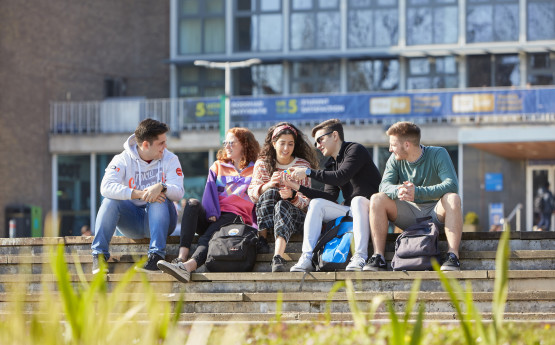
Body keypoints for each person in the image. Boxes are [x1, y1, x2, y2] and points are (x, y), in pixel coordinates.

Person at [157, 127, 260, 283]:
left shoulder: (256, 169)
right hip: (215, 215)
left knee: (209, 235)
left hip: (236, 219)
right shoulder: (218, 166)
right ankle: (181, 258)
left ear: (245, 145)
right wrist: (212, 211)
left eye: (232, 143)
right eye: (226, 142)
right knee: (191, 204)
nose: (227, 146)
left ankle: (188, 267)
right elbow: (209, 190)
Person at [284, 119, 381, 272]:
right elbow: (329, 196)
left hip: (372, 210)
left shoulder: (355, 150)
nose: (317, 145)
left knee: (357, 201)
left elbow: (341, 176)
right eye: (315, 142)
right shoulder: (331, 163)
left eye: (320, 140)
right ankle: (307, 257)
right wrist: (297, 187)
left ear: (335, 135)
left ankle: (360, 256)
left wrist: (308, 172)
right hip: (351, 211)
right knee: (316, 203)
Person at [91, 118, 184, 274]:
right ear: (146, 145)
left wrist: (162, 186)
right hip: (132, 222)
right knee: (110, 201)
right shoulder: (122, 159)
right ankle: (99, 256)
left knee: (158, 197)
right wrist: (141, 194)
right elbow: (105, 187)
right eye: (161, 143)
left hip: (162, 221)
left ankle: (156, 257)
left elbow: (179, 192)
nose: (165, 147)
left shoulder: (170, 159)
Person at [368, 121, 462, 271]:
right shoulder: (394, 160)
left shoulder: (438, 153)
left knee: (453, 198)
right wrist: (398, 190)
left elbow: (452, 185)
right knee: (377, 198)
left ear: (407, 145)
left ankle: (453, 256)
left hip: (435, 214)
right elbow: (384, 186)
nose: (390, 149)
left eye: (393, 145)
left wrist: (418, 192)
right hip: (408, 215)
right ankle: (378, 256)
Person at [248, 122, 319, 272]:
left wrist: (293, 196)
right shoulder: (262, 164)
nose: (286, 149)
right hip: (268, 219)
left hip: (294, 217)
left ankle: (277, 257)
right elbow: (253, 194)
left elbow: (308, 203)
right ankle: (262, 238)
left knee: (283, 205)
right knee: (270, 192)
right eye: (282, 143)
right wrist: (269, 184)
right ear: (274, 143)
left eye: (290, 144)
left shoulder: (302, 165)